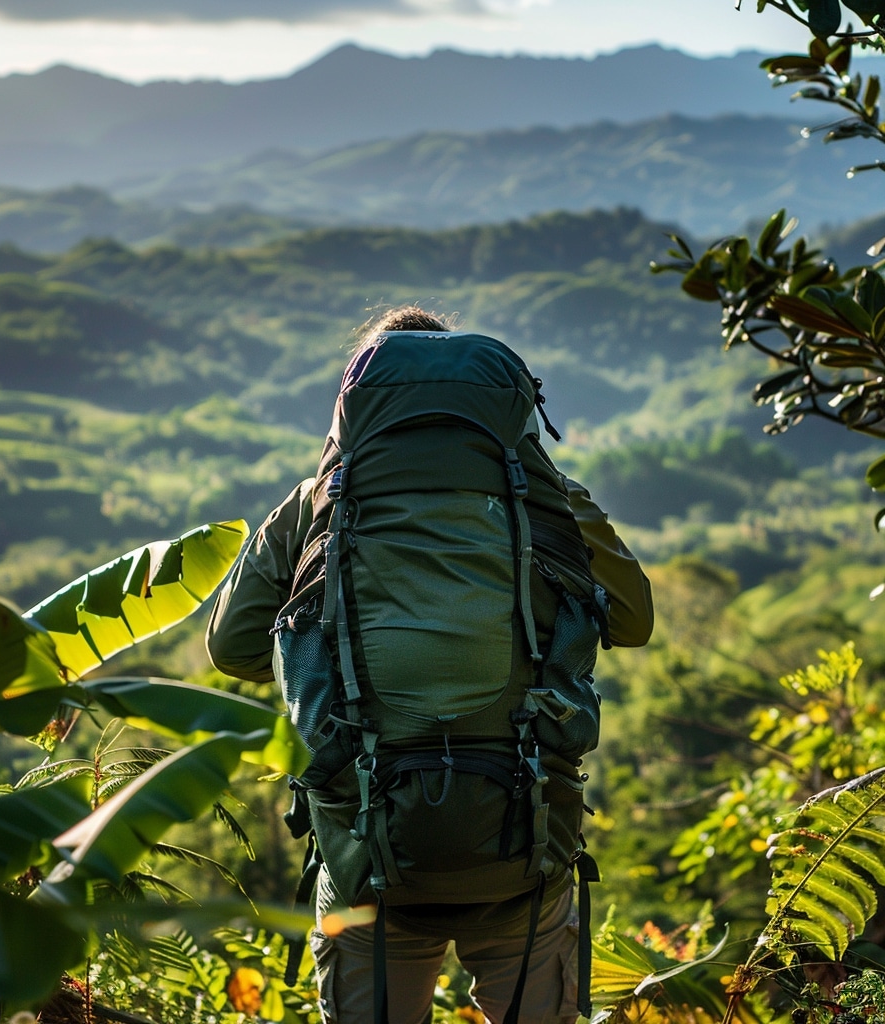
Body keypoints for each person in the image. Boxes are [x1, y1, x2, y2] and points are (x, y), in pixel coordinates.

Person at [206, 306, 653, 1024]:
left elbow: (231, 648)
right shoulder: (546, 504)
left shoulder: (319, 504)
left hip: (369, 857)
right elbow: (634, 622)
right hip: (522, 845)